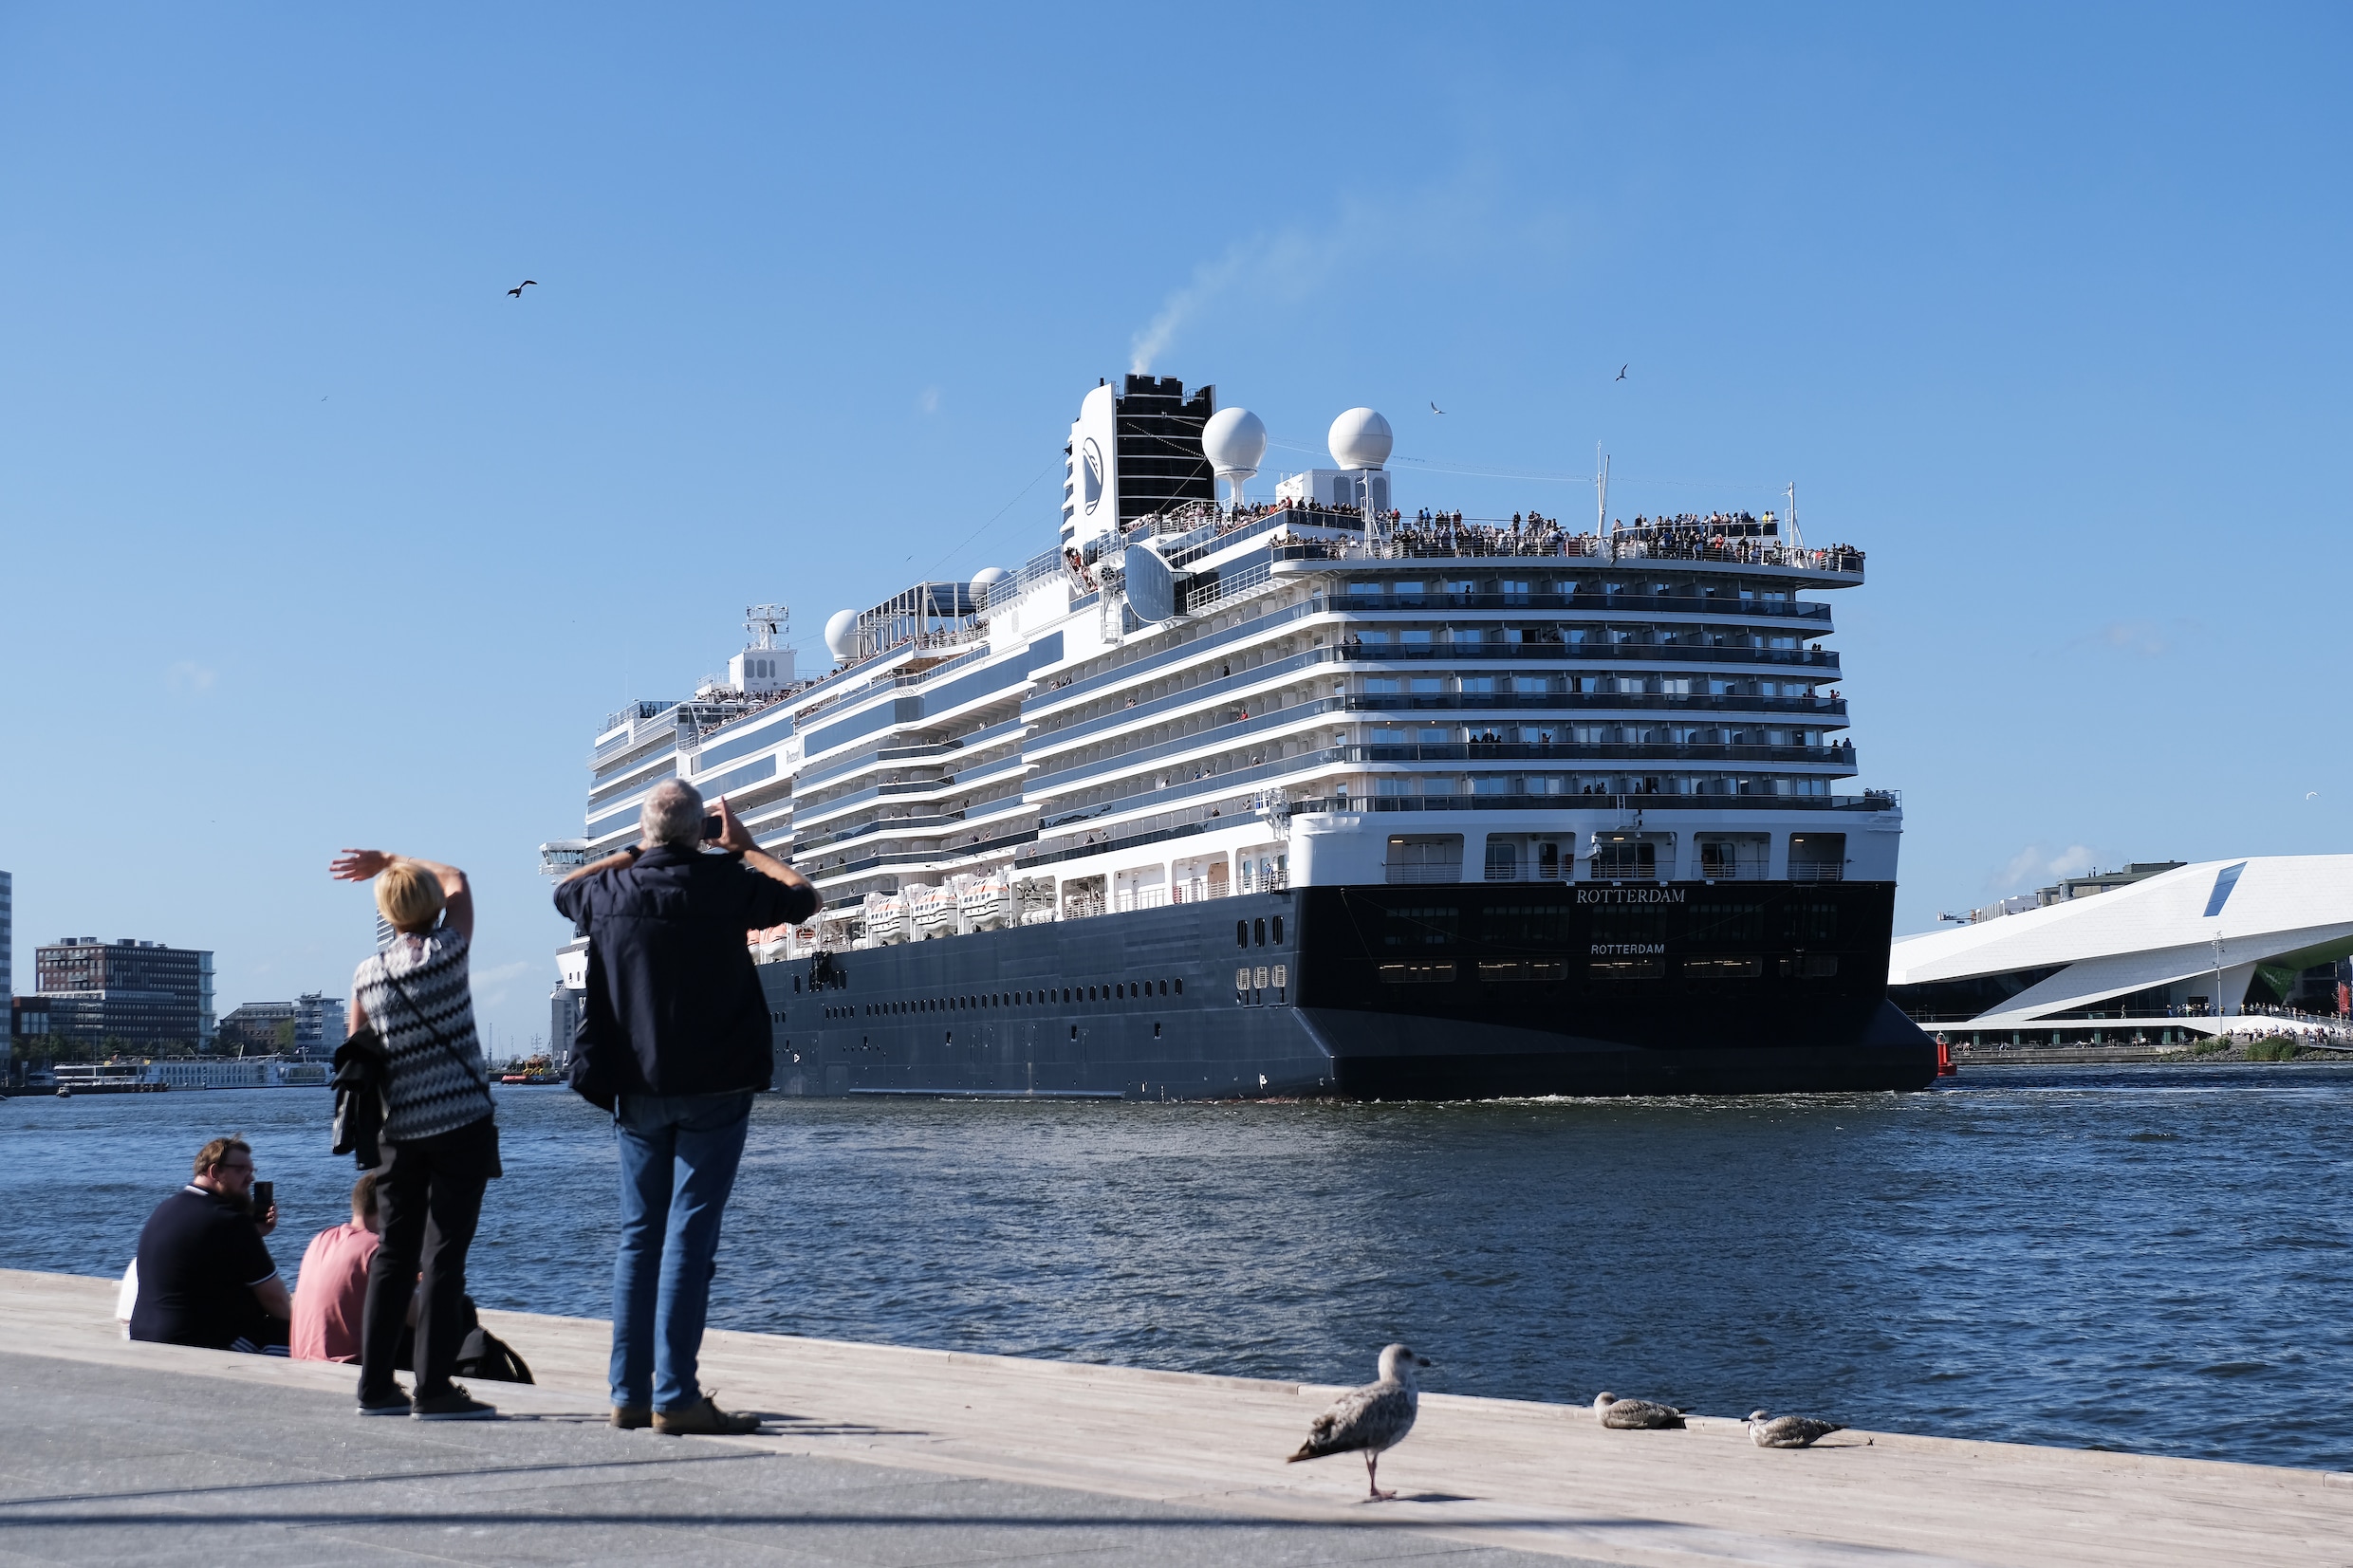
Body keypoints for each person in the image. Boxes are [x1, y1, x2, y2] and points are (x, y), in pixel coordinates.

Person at [556, 782, 821, 1435]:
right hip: (717, 1084)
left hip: (637, 1084)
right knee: (689, 1233)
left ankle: (628, 1391)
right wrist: (748, 848)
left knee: (639, 1235)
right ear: (701, 831)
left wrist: (633, 851)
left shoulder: (608, 891)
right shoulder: (727, 882)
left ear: (647, 832)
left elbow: (565, 889)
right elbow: (805, 897)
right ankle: (675, 1395)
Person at [333, 848, 501, 1421]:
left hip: (398, 1132)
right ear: (432, 907)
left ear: (386, 911)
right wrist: (389, 857)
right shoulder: (449, 952)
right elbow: (458, 875)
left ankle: (374, 1387)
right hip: (461, 1125)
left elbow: (361, 1047)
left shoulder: (366, 974)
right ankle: (433, 1389)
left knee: (393, 1256)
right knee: (445, 1256)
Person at [129, 1136, 288, 1353]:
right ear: (214, 1172)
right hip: (196, 1341)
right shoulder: (229, 1220)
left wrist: (254, 1235)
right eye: (241, 1170)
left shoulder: (166, 1208)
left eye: (252, 1170)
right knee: (290, 1333)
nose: (250, 1178)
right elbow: (276, 1300)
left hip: (143, 1333)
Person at [291, 1173, 387, 1364]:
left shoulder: (321, 1238)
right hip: (347, 1364)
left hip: (302, 1359)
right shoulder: (375, 1249)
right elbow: (414, 1314)